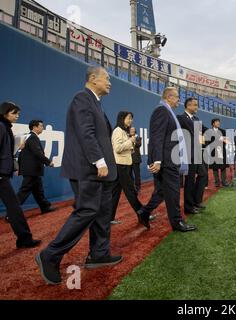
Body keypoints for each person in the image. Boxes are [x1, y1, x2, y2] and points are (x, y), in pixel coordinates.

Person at [35, 66, 122, 286]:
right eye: (106, 79)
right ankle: (50, 255)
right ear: (92, 79)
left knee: (102, 213)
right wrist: (99, 160)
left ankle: (99, 254)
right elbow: (86, 132)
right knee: (87, 211)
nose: (110, 83)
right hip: (89, 169)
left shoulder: (95, 102)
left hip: (100, 172)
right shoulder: (82, 98)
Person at [139, 87, 197, 232]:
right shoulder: (162, 111)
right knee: (173, 192)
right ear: (169, 97)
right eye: (177, 97)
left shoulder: (167, 111)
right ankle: (177, 222)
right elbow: (157, 137)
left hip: (168, 159)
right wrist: (157, 160)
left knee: (161, 192)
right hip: (166, 161)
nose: (179, 100)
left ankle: (144, 212)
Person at [0, 102, 41, 249]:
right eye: (14, 113)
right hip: (1, 176)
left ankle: (24, 239)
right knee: (14, 207)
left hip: (3, 174)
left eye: (17, 113)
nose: (17, 116)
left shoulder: (5, 127)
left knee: (14, 207)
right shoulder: (1, 127)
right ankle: (24, 239)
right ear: (4, 113)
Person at [110, 112, 146, 225]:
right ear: (122, 119)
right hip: (121, 166)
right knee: (130, 191)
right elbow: (117, 148)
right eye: (129, 118)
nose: (131, 121)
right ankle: (142, 214)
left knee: (115, 193)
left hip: (123, 165)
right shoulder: (118, 131)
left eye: (131, 119)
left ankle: (109, 218)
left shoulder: (123, 131)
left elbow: (123, 148)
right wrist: (131, 141)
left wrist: (130, 146)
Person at [177, 97, 208, 215]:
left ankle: (196, 201)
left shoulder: (196, 119)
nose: (197, 107)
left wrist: (221, 136)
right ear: (188, 106)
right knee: (189, 181)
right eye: (195, 105)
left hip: (197, 153)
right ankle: (188, 207)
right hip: (188, 154)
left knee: (203, 175)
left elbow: (205, 130)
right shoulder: (180, 118)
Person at [16, 120, 56, 214]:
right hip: (32, 170)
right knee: (24, 191)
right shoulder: (33, 138)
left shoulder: (28, 137)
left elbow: (22, 154)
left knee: (38, 190)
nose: (43, 128)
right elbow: (37, 152)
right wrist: (48, 162)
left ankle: (45, 207)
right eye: (41, 126)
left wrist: (19, 167)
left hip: (33, 170)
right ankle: (12, 213)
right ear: (34, 127)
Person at [210, 118, 229, 187]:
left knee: (223, 167)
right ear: (213, 123)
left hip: (221, 151)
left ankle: (224, 181)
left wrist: (222, 140)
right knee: (215, 167)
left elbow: (226, 141)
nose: (218, 123)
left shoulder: (223, 131)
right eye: (216, 122)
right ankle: (217, 182)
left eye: (219, 122)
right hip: (213, 151)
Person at [130, 127, 142, 193]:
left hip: (136, 159)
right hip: (128, 159)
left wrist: (134, 141)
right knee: (130, 175)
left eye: (133, 130)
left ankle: (138, 188)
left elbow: (139, 144)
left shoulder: (138, 138)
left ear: (135, 131)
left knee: (137, 175)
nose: (132, 131)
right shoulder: (127, 137)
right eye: (131, 130)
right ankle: (131, 188)